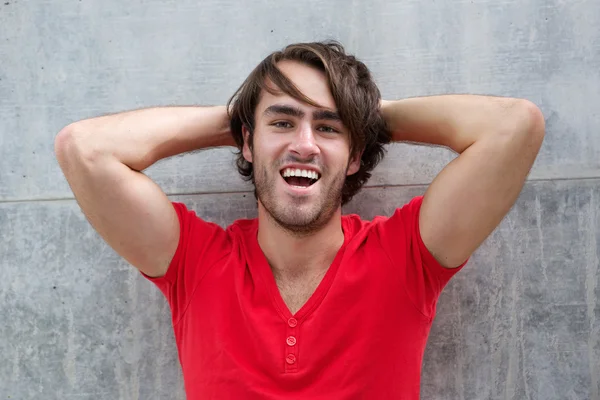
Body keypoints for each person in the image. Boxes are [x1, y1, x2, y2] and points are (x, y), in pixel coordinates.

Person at [54, 41, 545, 399]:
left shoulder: (405, 257)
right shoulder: (195, 264)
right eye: (283, 122)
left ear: (355, 156)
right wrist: (240, 116)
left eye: (328, 127)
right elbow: (83, 149)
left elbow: (514, 126)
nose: (305, 144)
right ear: (246, 142)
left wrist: (370, 116)